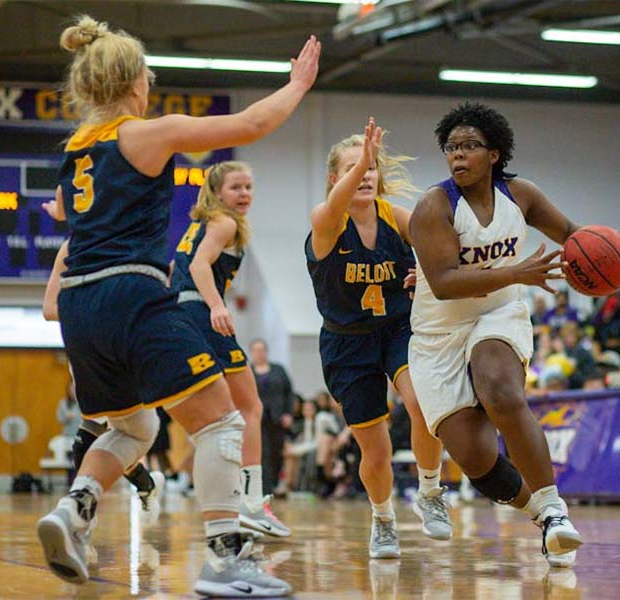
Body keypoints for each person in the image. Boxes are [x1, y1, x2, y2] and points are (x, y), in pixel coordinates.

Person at [35, 15, 318, 596]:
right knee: (220, 419)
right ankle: (224, 562)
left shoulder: (75, 150)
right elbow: (249, 122)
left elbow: (63, 208)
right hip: (129, 291)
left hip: (78, 306)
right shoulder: (145, 132)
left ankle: (75, 509)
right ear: (135, 83)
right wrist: (296, 86)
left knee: (135, 426)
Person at [408, 102, 582, 567]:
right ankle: (541, 518)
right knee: (475, 458)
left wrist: (609, 262)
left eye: (469, 146)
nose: (458, 155)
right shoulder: (433, 206)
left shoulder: (521, 195)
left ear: (495, 154)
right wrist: (517, 272)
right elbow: (443, 284)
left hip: (498, 315)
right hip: (437, 331)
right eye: (451, 147)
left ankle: (555, 508)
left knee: (501, 390)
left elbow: (572, 235)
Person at [305, 117, 453, 559]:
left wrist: (425, 272)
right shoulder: (326, 221)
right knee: (377, 448)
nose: (365, 174)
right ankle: (383, 518)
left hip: (398, 329)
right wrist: (362, 159)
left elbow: (444, 253)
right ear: (336, 178)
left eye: (370, 167)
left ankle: (429, 492)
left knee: (424, 404)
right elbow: (331, 208)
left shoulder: (397, 216)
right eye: (354, 167)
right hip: (346, 343)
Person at [170, 162, 289, 538]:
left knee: (223, 414)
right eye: (236, 187)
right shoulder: (225, 223)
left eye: (249, 187)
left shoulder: (200, 225)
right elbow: (201, 267)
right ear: (218, 193)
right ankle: (252, 500)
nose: (245, 194)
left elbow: (177, 266)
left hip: (182, 314)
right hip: (200, 313)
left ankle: (234, 496)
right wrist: (217, 306)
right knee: (250, 407)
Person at [43, 241, 165, 530]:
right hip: (86, 344)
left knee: (112, 435)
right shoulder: (72, 247)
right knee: (105, 436)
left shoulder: (132, 239)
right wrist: (91, 314)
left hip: (122, 346)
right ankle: (142, 489)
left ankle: (82, 519)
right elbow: (49, 308)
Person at [249, 339, 294, 499]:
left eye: (262, 350)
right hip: (256, 419)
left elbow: (289, 393)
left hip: (277, 418)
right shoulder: (248, 371)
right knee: (263, 452)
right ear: (252, 353)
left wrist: (288, 413)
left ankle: (274, 482)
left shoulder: (278, 370)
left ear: (266, 352)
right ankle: (265, 488)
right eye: (256, 350)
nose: (259, 353)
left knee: (277, 451)